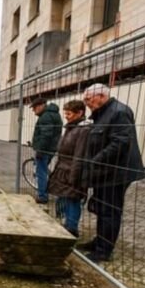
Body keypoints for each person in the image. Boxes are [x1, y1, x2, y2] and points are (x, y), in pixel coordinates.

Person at [79, 83, 145, 262]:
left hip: (116, 172)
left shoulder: (119, 112)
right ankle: (100, 241)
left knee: (110, 210)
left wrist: (96, 160)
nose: (86, 103)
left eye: (88, 99)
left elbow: (120, 143)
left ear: (101, 95)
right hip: (104, 171)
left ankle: (104, 250)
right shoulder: (102, 113)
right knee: (102, 207)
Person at [48, 100, 90, 237]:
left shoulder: (83, 130)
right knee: (65, 198)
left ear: (80, 113)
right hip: (64, 169)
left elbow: (79, 155)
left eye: (69, 113)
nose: (66, 116)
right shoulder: (71, 127)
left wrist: (74, 176)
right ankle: (65, 224)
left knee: (73, 199)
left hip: (72, 171)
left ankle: (71, 228)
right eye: (65, 113)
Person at [30, 97, 63, 204]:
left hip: (45, 150)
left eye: (34, 108)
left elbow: (46, 135)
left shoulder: (46, 117)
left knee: (41, 173)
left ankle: (42, 196)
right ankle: (46, 190)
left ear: (41, 106)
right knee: (43, 170)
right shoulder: (54, 114)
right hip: (51, 148)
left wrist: (39, 150)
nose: (33, 111)